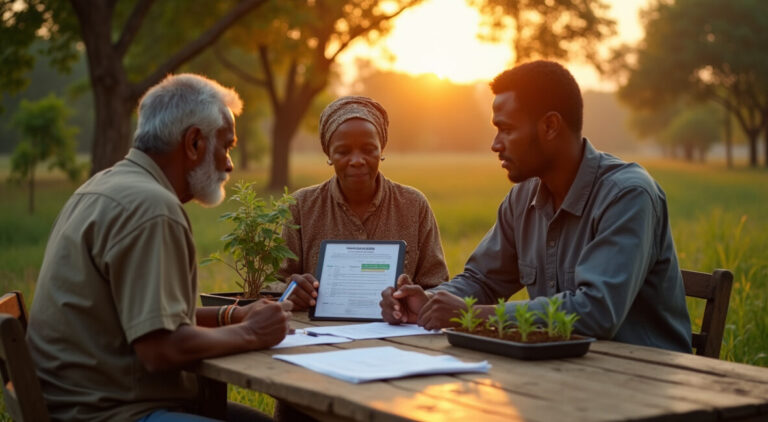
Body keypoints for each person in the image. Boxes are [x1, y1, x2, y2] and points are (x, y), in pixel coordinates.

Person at [26, 74, 292, 422]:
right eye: (225, 146)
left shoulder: (105, 185)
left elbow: (145, 319)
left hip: (76, 402)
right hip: (111, 413)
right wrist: (251, 333)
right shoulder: (153, 208)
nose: (228, 164)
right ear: (194, 143)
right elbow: (160, 348)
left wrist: (233, 314)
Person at [380, 61, 692, 353]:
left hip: (642, 379)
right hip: (562, 371)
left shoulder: (627, 195)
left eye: (507, 129)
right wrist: (428, 301)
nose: (495, 144)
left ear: (550, 126)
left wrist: (474, 315)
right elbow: (482, 280)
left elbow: (596, 312)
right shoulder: (522, 198)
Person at [279, 96, 449, 310]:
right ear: (329, 154)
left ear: (382, 150)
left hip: (400, 334)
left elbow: (437, 284)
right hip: (316, 334)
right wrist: (291, 289)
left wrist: (414, 298)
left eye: (368, 149)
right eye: (343, 151)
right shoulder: (301, 207)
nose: (357, 160)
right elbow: (271, 283)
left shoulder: (413, 205)